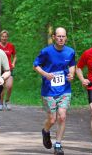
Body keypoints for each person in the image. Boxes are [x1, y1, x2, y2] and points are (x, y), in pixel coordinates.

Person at [33, 27, 75, 155]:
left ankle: (58, 145)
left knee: (62, 116)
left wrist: (71, 74)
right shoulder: (46, 51)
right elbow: (36, 65)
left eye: (63, 36)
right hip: (49, 90)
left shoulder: (70, 51)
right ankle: (45, 131)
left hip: (64, 89)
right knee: (52, 119)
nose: (61, 38)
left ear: (66, 37)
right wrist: (45, 74)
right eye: (59, 36)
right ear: (54, 37)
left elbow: (72, 65)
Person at [0, 30, 17, 110]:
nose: (4, 38)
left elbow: (15, 55)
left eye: (5, 36)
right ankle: (0, 103)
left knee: (9, 86)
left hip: (8, 69)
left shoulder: (11, 46)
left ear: (7, 37)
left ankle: (7, 101)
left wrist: (13, 63)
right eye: (3, 36)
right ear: (0, 37)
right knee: (1, 87)